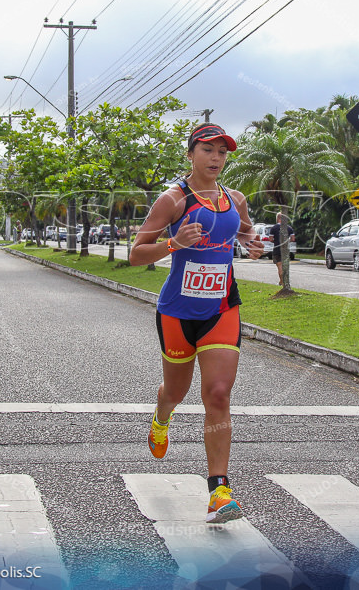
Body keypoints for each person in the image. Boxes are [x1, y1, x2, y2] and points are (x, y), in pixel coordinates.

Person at [129, 123, 263, 524]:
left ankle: (219, 491)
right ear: (190, 154)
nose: (216, 158)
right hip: (177, 312)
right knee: (176, 390)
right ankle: (161, 416)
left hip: (221, 308)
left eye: (222, 152)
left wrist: (252, 246)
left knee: (218, 394)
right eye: (208, 150)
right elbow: (136, 255)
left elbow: (246, 236)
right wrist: (174, 243)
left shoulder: (235, 199)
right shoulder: (172, 200)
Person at [268, 212, 295, 286]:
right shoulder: (289, 228)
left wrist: (275, 241)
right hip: (285, 250)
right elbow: (293, 239)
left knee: (280, 266)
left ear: (278, 218)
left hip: (277, 249)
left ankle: (282, 282)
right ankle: (282, 281)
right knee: (284, 267)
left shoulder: (274, 228)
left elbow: (270, 239)